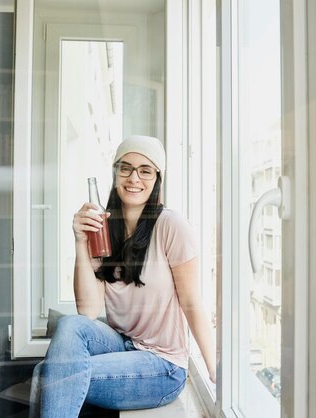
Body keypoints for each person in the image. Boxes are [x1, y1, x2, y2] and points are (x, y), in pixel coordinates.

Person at [39, 135, 216, 417]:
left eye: (145, 170)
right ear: (115, 173)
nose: (134, 178)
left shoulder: (171, 226)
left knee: (50, 374)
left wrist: (213, 366)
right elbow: (88, 310)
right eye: (126, 168)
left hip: (163, 366)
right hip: (122, 344)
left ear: (157, 178)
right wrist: (79, 242)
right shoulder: (102, 229)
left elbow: (192, 301)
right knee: (70, 325)